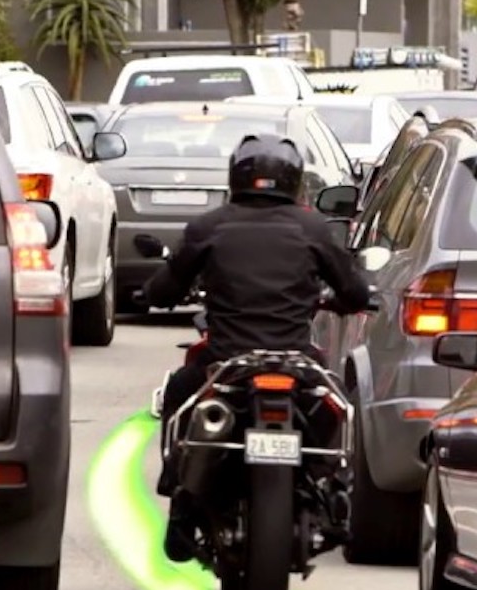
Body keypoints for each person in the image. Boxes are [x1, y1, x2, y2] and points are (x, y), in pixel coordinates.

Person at [139, 132, 372, 562]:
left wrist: (152, 294)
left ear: (236, 177)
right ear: (295, 180)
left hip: (225, 359)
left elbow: (164, 289)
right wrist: (352, 298)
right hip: (297, 359)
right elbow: (356, 292)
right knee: (336, 400)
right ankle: (332, 486)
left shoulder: (209, 226)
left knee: (178, 391)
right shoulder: (313, 228)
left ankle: (182, 506)